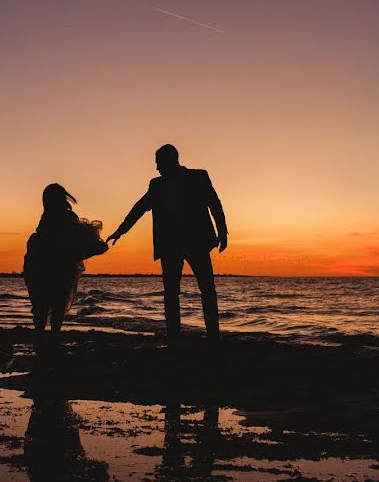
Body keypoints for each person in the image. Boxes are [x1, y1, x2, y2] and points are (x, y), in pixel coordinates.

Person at [106, 144, 227, 344]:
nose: (156, 168)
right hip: (170, 245)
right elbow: (139, 208)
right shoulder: (156, 185)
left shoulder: (198, 177)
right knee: (171, 293)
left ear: (170, 160)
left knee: (207, 289)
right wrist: (121, 230)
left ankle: (213, 336)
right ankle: (174, 337)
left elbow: (214, 203)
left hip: (196, 242)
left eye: (159, 163)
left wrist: (222, 230)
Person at [23, 183, 107, 356]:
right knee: (58, 302)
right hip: (59, 265)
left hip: (40, 263)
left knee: (42, 303)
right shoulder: (66, 217)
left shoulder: (45, 218)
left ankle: (40, 339)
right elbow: (76, 240)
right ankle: (52, 339)